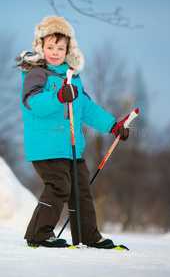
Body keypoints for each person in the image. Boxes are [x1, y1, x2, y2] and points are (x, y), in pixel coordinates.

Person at [17, 16, 129, 249]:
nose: (55, 52)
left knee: (80, 191)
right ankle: (38, 233)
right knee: (59, 186)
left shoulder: (72, 76)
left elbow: (86, 107)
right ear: (41, 47)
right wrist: (58, 97)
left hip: (71, 146)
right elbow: (33, 102)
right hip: (46, 146)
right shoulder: (37, 73)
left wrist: (113, 126)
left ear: (68, 49)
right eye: (50, 47)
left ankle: (88, 236)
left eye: (61, 47)